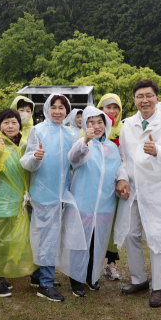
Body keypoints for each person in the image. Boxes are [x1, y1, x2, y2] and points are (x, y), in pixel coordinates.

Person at [114, 80, 161, 308]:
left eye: (149, 96)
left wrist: (157, 151)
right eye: (139, 96)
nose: (144, 100)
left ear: (157, 98)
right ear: (134, 100)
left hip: (157, 188)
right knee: (131, 233)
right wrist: (122, 177)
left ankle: (157, 287)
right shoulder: (128, 125)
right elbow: (124, 158)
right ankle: (139, 280)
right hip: (133, 188)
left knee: (156, 235)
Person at [21, 93, 81, 302]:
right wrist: (35, 158)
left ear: (67, 111)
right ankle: (45, 284)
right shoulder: (38, 131)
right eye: (53, 107)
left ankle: (40, 276)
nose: (57, 111)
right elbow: (26, 160)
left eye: (61, 107)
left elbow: (74, 162)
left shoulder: (71, 134)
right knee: (45, 238)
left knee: (51, 238)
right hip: (43, 193)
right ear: (47, 109)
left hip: (61, 194)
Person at [58, 107, 121, 297]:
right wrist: (85, 139)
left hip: (104, 205)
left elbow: (119, 171)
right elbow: (73, 158)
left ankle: (91, 276)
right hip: (82, 204)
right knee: (79, 242)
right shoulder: (82, 144)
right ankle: (76, 279)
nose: (96, 126)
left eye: (100, 122)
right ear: (85, 125)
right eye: (91, 123)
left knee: (98, 242)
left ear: (106, 124)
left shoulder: (113, 147)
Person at [0, 109, 38, 297]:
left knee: (16, 240)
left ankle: (6, 275)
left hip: (20, 202)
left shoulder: (24, 145)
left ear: (20, 125)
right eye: (6, 123)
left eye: (13, 122)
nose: (10, 126)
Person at [97, 93, 124, 280]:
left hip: (117, 186)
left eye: (116, 108)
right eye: (108, 107)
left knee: (114, 226)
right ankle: (93, 261)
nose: (112, 111)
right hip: (97, 187)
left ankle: (111, 263)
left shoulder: (125, 130)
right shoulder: (92, 130)